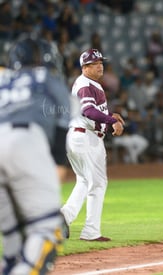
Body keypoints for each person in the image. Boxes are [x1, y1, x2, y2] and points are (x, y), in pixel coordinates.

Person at [0, 35, 71, 274]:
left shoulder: (3, 80)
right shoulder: (50, 81)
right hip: (26, 141)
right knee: (48, 231)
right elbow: (58, 159)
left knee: (13, 244)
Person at [61, 48, 125, 242]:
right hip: (85, 137)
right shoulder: (85, 84)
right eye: (95, 63)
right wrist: (110, 121)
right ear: (85, 67)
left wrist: (110, 116)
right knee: (97, 183)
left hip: (80, 136)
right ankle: (90, 231)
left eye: (101, 62)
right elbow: (88, 110)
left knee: (84, 180)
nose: (100, 66)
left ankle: (63, 217)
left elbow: (91, 111)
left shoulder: (89, 84)